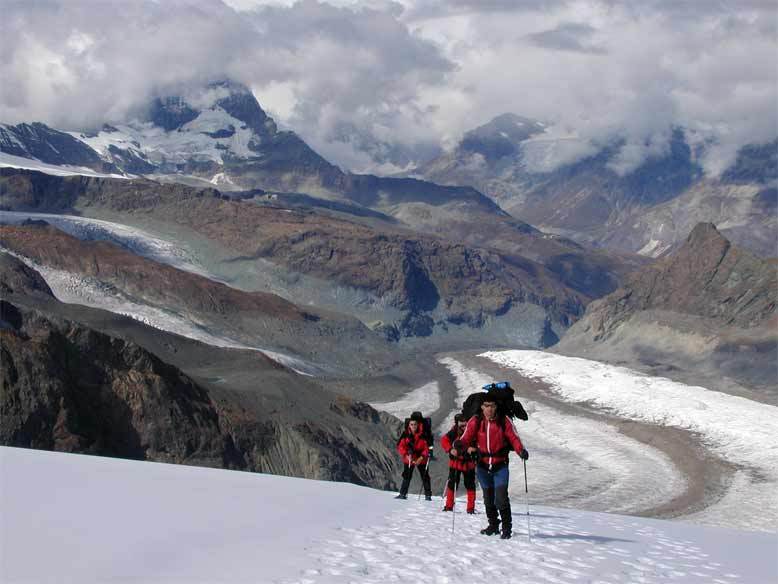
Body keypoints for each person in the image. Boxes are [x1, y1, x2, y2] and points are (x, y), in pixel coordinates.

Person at [452, 396, 529, 539]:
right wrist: (459, 445)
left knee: (501, 498)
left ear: (496, 407)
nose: (489, 409)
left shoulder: (504, 421)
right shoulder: (476, 421)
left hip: (500, 465)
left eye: (492, 406)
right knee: (488, 499)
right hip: (482, 465)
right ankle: (493, 525)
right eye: (486, 406)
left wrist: (520, 451)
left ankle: (506, 529)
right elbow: (466, 437)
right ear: (482, 407)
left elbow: (514, 438)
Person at [440, 413, 476, 513]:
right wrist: (450, 449)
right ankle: (449, 506)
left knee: (470, 485)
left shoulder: (472, 432)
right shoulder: (453, 432)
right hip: (456, 463)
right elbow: (444, 440)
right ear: (457, 423)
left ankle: (470, 508)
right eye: (462, 423)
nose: (464, 426)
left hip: (468, 463)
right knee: (452, 484)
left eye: (465, 423)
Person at [395, 416, 432, 500]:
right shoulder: (406, 434)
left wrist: (421, 458)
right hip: (409, 458)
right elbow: (401, 446)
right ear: (409, 425)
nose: (413, 426)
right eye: (411, 424)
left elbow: (427, 448)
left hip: (421, 458)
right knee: (407, 476)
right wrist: (406, 455)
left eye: (415, 424)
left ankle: (428, 495)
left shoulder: (423, 435)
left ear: (418, 425)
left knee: (425, 476)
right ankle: (403, 494)